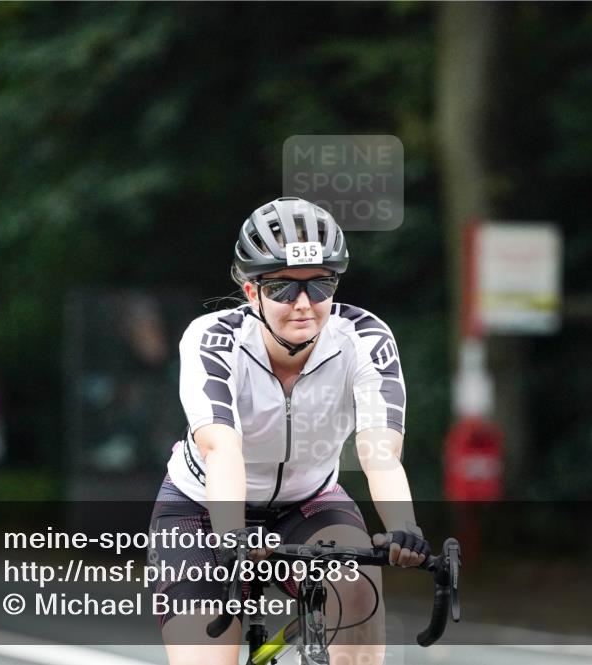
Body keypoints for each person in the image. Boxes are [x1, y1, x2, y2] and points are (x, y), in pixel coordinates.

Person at [149, 197, 428, 665]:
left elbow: (380, 450)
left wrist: (404, 527)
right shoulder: (213, 339)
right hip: (202, 505)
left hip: (310, 500)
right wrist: (233, 534)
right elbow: (221, 448)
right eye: (282, 288)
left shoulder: (364, 338)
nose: (303, 305)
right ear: (251, 291)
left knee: (357, 586)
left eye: (320, 286)